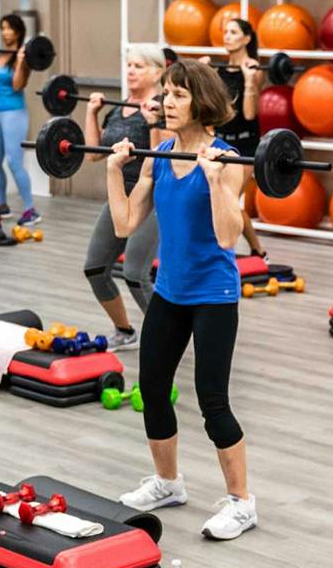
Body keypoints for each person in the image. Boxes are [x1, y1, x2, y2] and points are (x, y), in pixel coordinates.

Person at [107, 59, 258, 541]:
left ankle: (242, 503)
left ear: (202, 102)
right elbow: (124, 225)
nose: (166, 102)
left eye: (178, 95)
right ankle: (169, 483)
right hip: (170, 291)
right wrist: (115, 172)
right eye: (166, 94)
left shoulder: (226, 160)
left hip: (213, 295)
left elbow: (226, 235)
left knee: (213, 402)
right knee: (151, 388)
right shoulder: (161, 155)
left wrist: (215, 182)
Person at [82, 45, 166, 349]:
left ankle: (167, 335)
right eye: (129, 65)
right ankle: (125, 331)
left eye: (139, 66)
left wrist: (154, 122)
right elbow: (93, 154)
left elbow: (164, 158)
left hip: (153, 198)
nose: (130, 71)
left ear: (157, 72)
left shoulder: (164, 107)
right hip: (120, 197)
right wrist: (91, 113)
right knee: (94, 269)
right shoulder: (119, 108)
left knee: (134, 274)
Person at [0, 12, 37, 225]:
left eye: (9, 28)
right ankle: (2, 204)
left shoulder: (23, 57)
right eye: (2, 28)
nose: (5, 32)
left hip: (14, 113)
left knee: (14, 161)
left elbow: (17, 85)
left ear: (18, 32)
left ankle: (31, 210)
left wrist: (21, 62)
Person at [216, 16, 265, 158]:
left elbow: (249, 114)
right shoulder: (218, 71)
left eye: (233, 32)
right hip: (220, 142)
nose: (227, 37)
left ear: (246, 39)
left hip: (245, 144)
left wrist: (249, 79)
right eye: (225, 32)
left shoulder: (255, 69)